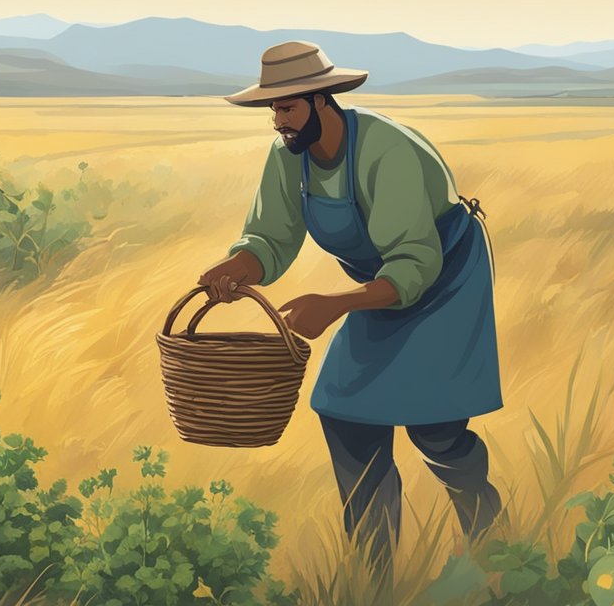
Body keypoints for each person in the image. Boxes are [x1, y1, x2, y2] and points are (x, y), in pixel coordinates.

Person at [198, 40, 503, 577]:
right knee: (345, 413)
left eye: (286, 107)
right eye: (272, 108)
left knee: (436, 430)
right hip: (375, 289)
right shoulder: (288, 159)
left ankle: (494, 544)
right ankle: (373, 578)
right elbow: (271, 237)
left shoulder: (386, 151)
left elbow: (413, 263)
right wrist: (237, 268)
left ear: (322, 101)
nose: (277, 121)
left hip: (444, 280)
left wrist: (335, 304)